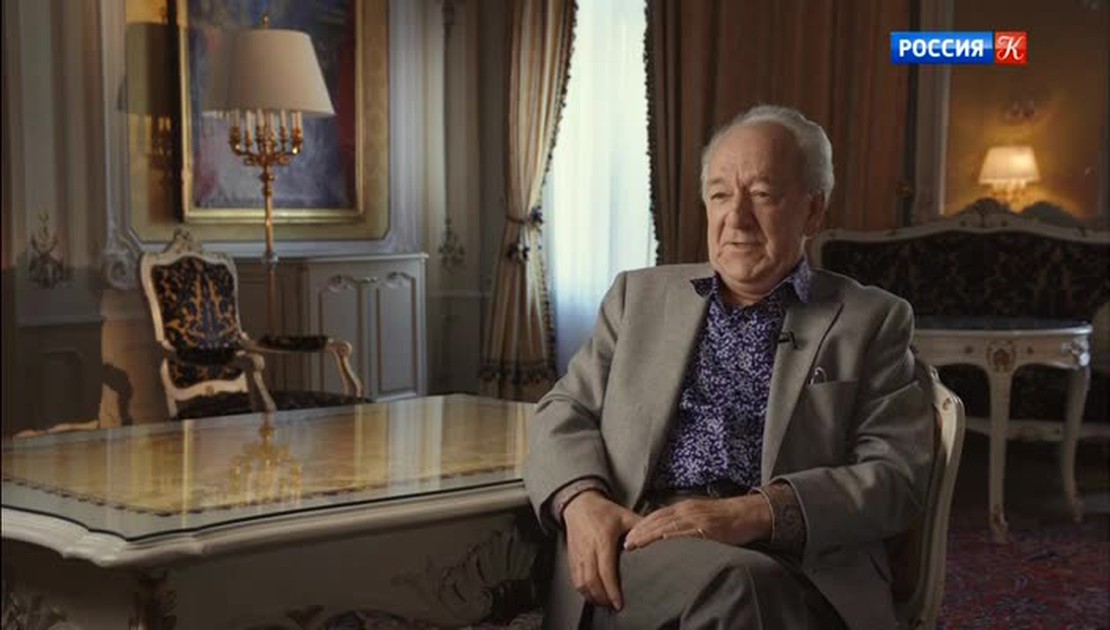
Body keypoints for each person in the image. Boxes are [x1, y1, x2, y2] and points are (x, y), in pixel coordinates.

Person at [523, 104, 934, 629]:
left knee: (749, 587)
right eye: (720, 195)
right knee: (740, 587)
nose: (736, 218)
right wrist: (581, 502)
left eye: (762, 195)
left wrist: (755, 513)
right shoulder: (637, 298)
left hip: (800, 561)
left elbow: (895, 476)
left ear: (813, 211)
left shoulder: (871, 320)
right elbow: (563, 409)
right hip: (642, 541)